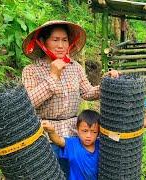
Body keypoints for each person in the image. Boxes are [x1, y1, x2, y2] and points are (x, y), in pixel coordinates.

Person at [21, 20, 118, 176]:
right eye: (55, 40)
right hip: (45, 137)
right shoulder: (32, 70)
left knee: (73, 175)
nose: (61, 45)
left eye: (64, 40)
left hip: (74, 135)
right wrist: (53, 76)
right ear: (43, 42)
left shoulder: (75, 67)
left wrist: (106, 83)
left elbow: (88, 92)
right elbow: (28, 103)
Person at [42, 109, 100, 180]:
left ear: (98, 133)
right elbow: (58, 140)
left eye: (94, 132)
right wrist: (51, 131)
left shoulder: (100, 145)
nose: (88, 135)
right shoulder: (72, 144)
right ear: (77, 130)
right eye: (85, 131)